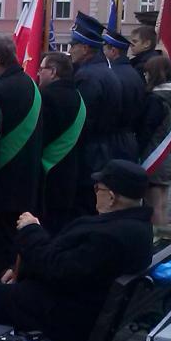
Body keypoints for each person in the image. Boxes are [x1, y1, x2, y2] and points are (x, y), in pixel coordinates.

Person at [0, 160, 154, 341]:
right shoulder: (135, 227)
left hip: (63, 314)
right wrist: (22, 267)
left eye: (98, 188)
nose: (94, 192)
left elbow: (58, 269)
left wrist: (30, 230)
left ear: (111, 198)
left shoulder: (110, 237)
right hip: (76, 302)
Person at [0, 34, 42, 283]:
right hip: (29, 178)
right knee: (21, 241)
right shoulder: (30, 84)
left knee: (0, 247)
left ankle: (1, 291)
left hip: (4, 182)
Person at [70, 12, 125, 215]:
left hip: (89, 154)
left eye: (73, 45)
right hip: (104, 149)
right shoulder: (106, 71)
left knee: (84, 208)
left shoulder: (87, 76)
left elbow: (83, 121)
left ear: (85, 48)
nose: (70, 50)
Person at [36, 51, 84, 235]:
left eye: (42, 69)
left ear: (53, 71)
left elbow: (41, 135)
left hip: (48, 173)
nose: (39, 73)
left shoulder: (46, 97)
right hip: (70, 171)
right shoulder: (77, 96)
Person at [136, 55, 171, 225]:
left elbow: (147, 129)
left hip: (154, 156)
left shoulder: (156, 99)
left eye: (147, 73)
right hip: (168, 156)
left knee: (153, 205)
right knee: (162, 203)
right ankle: (162, 236)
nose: (145, 76)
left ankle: (155, 241)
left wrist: (136, 149)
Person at [102, 28, 143, 161]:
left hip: (112, 141)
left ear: (113, 51)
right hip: (130, 138)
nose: (102, 53)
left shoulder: (111, 74)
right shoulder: (135, 74)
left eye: (105, 49)